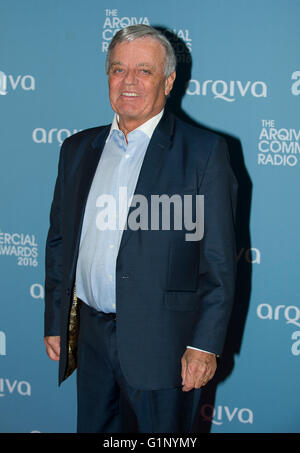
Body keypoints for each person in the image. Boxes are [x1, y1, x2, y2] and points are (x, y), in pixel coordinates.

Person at [44, 24, 237, 433]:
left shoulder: (203, 153)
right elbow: (61, 240)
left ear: (168, 81)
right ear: (107, 77)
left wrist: (203, 345)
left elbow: (218, 262)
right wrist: (58, 320)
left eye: (144, 71)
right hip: (92, 337)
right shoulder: (78, 149)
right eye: (118, 69)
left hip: (166, 346)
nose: (128, 81)